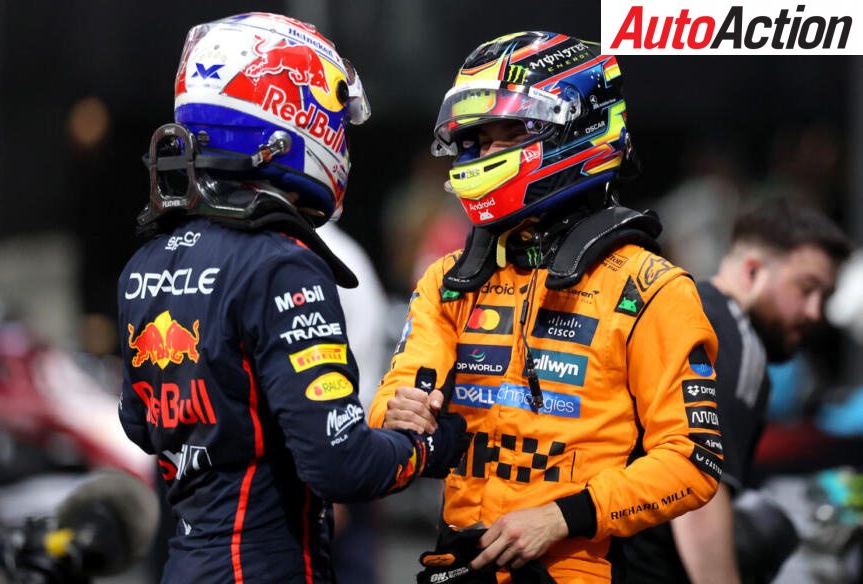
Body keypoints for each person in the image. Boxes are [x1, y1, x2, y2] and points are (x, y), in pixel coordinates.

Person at [116, 13, 469, 584]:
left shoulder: (146, 260)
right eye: (333, 116)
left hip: (183, 565)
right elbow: (342, 464)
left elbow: (138, 423)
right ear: (292, 112)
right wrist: (439, 443)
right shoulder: (281, 262)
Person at [368, 32, 723, 583]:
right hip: (459, 563)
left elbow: (693, 459)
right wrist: (395, 413)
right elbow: (400, 392)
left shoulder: (653, 288)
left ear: (578, 127)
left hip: (579, 567)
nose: (486, 155)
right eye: (478, 142)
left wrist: (562, 517)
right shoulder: (450, 281)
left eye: (508, 136)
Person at [625, 197, 851, 584]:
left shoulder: (685, 310)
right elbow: (698, 499)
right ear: (752, 271)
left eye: (824, 297)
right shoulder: (733, 342)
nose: (815, 311)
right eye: (806, 288)